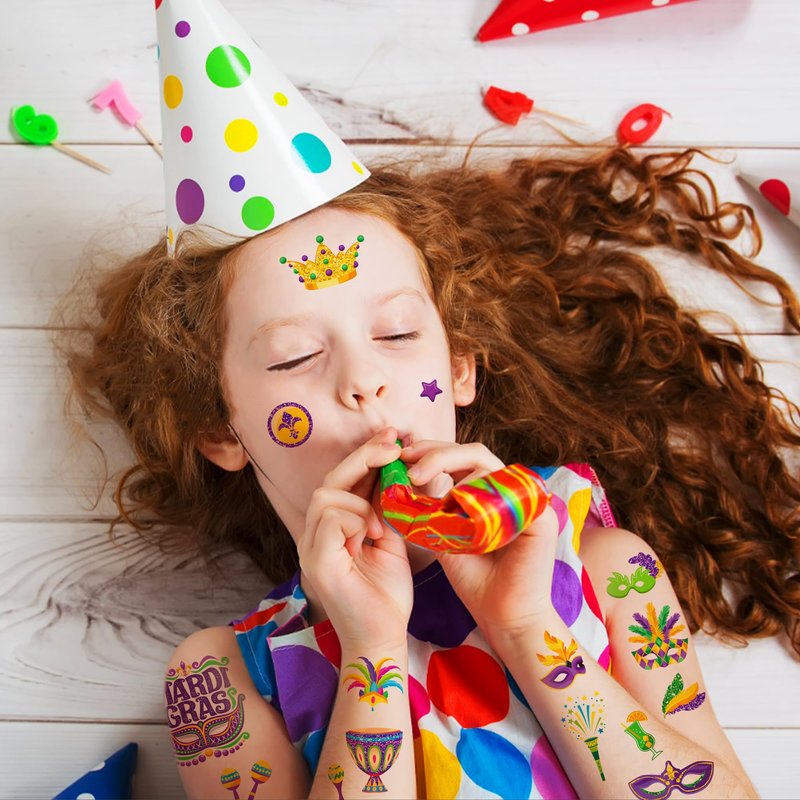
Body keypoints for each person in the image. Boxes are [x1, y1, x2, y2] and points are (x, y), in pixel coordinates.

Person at [55, 141, 800, 798]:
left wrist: (526, 627)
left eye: (396, 334)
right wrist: (372, 651)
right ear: (221, 428)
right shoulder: (219, 679)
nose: (363, 381)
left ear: (460, 367)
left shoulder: (609, 571)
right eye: (295, 356)